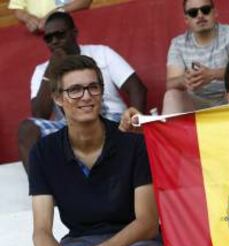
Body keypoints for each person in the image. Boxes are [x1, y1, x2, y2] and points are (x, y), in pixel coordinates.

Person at [0, 55, 164, 246]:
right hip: (77, 245)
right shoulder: (43, 152)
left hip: (133, 244)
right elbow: (42, 231)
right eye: (75, 90)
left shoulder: (133, 145)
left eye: (93, 88)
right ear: (58, 98)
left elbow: (147, 223)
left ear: (101, 92)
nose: (86, 96)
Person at [18, 11, 147, 172]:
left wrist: (134, 126)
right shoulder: (42, 70)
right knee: (28, 128)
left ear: (74, 33)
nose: (55, 41)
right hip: (69, 126)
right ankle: (41, 188)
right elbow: (39, 114)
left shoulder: (101, 53)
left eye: (60, 35)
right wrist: (52, 70)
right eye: (49, 38)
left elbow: (137, 88)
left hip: (113, 119)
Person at [162, 0, 229, 114]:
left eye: (205, 10)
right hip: (196, 103)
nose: (200, 15)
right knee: (171, 95)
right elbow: (170, 83)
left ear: (215, 12)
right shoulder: (178, 43)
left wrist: (212, 74)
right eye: (193, 13)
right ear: (186, 19)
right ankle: (172, 132)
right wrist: (185, 79)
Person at [8, 0, 92, 33]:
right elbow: (17, 8)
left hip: (70, 31)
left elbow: (85, 1)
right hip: (37, 33)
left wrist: (57, 12)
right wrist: (28, 18)